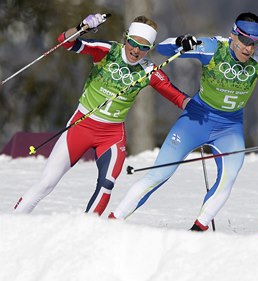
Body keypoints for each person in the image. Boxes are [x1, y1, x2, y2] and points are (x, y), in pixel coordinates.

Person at [109, 12, 258, 231]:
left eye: (255, 43)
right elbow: (164, 48)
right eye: (245, 41)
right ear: (233, 35)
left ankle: (199, 229)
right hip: (196, 120)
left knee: (229, 176)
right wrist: (181, 42)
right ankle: (115, 219)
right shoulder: (213, 48)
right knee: (161, 172)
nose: (249, 49)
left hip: (230, 128)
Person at [14, 14, 190, 215]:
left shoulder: (148, 70)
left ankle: (88, 232)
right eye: (133, 43)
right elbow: (65, 42)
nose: (136, 50)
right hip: (81, 126)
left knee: (106, 184)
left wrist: (204, 108)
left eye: (144, 47)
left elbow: (178, 97)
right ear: (126, 38)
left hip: (111, 136)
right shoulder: (108, 51)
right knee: (47, 183)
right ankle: (14, 223)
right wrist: (82, 27)